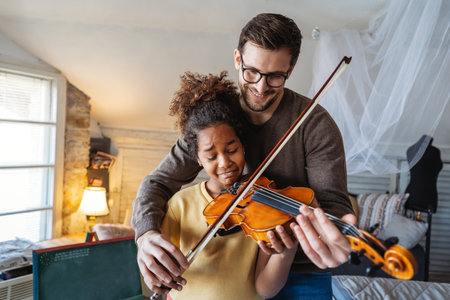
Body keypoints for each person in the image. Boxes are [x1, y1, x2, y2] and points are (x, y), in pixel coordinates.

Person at [133, 13, 356, 298]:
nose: (261, 87)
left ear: (292, 67)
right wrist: (146, 235)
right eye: (252, 72)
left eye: (275, 76)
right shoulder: (216, 120)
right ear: (237, 59)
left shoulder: (315, 124)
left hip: (301, 269)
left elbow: (332, 205)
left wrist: (334, 240)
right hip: (236, 268)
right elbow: (157, 183)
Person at [159, 71, 297, 299]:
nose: (225, 163)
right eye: (211, 156)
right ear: (197, 159)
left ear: (243, 146)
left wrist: (286, 252)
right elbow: (164, 275)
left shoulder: (262, 205)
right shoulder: (180, 205)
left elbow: (265, 289)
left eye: (232, 150)